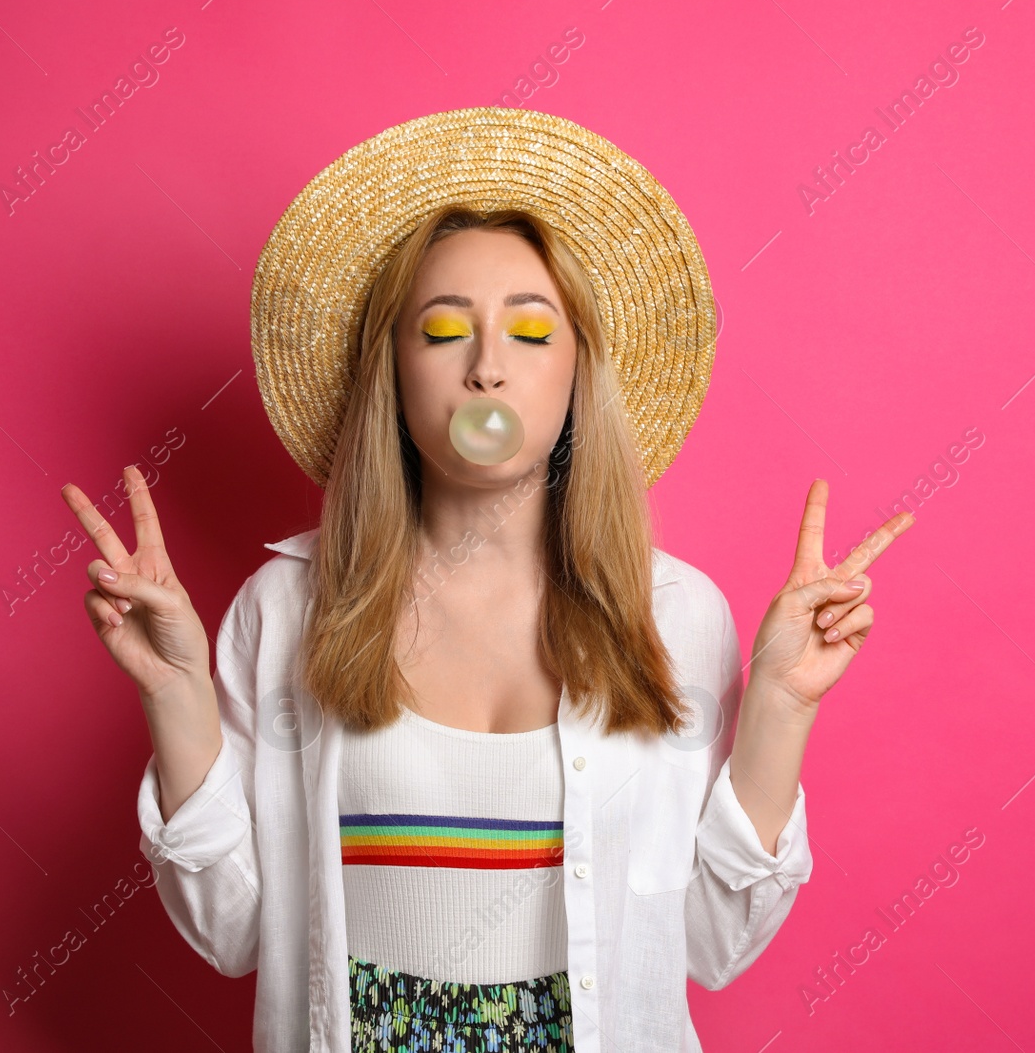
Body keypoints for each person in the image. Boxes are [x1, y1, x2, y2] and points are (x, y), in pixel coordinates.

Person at [60, 108, 912, 1053]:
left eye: (534, 332)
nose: (488, 369)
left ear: (578, 374)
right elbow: (235, 936)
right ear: (392, 371)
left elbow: (708, 944)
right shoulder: (287, 610)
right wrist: (176, 696)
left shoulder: (674, 616)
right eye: (442, 330)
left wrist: (784, 708)